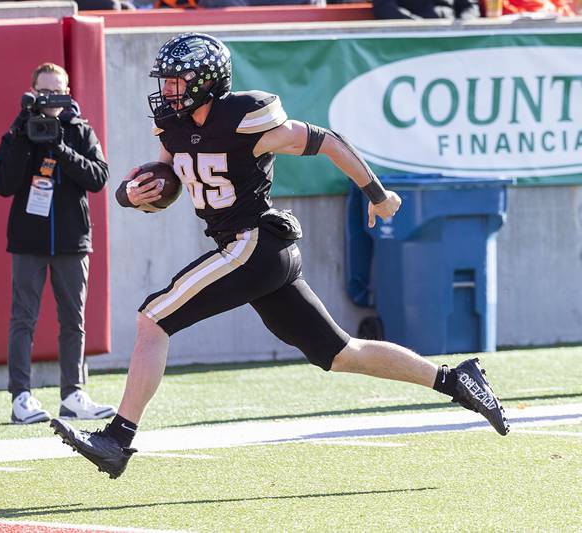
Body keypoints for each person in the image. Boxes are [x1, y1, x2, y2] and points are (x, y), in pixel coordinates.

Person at [50, 33, 509, 478]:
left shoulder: (245, 119)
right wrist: (132, 196)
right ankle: (455, 380)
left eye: (176, 81)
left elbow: (327, 140)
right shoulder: (173, 126)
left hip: (254, 245)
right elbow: (165, 182)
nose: (167, 91)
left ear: (206, 81)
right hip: (254, 254)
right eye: (165, 81)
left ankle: (118, 438)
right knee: (341, 354)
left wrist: (377, 193)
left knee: (154, 318)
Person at [0, 62, 116, 424]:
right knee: (23, 319)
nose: (52, 98)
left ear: (68, 91)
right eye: (45, 92)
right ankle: (21, 397)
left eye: (58, 90)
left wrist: (60, 148)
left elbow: (98, 178)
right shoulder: (19, 131)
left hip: (72, 240)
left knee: (73, 320)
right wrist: (23, 138)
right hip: (28, 240)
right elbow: (2, 183)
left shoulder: (80, 130)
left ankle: (74, 393)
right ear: (33, 92)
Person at [372, 0, 480, 18]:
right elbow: (384, 7)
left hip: (451, 39)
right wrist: (419, 26)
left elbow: (470, 7)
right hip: (410, 42)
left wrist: (460, 29)